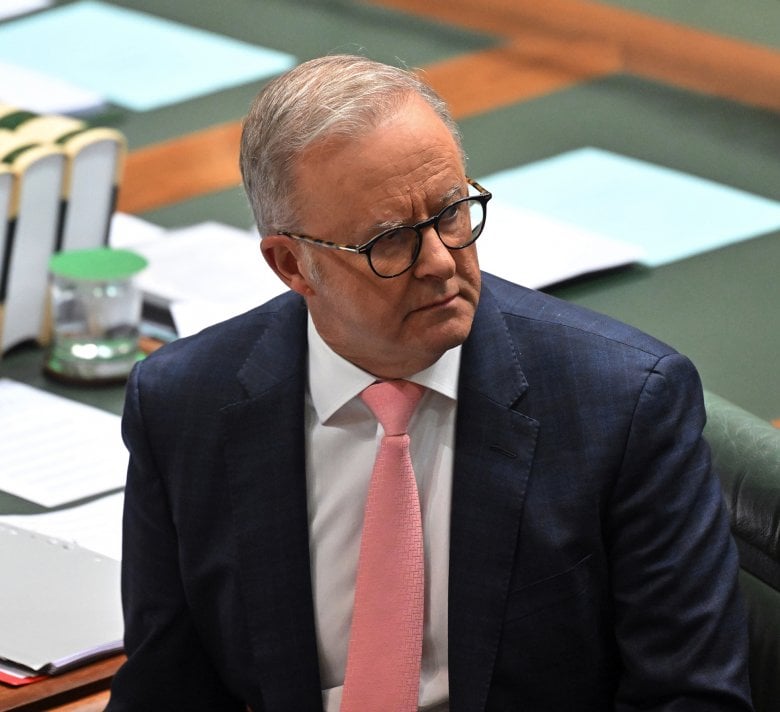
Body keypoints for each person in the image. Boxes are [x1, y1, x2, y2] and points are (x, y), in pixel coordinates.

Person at [106, 55, 753, 711]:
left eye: (451, 213)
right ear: (291, 264)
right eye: (390, 241)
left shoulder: (623, 405)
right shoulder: (183, 405)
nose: (441, 262)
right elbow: (166, 690)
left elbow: (691, 697)